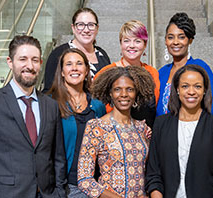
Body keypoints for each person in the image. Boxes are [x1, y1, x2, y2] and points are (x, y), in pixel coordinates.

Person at [0, 35, 66, 197]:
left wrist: (59, 192)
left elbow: (58, 156)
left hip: (46, 194)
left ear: (41, 64)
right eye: (23, 59)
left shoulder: (51, 106)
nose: (29, 66)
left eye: (35, 60)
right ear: (10, 62)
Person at [146, 64, 213, 198]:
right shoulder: (161, 124)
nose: (191, 92)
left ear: (204, 90)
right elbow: (153, 173)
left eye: (197, 86)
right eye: (185, 86)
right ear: (177, 89)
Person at [77, 66, 154, 197]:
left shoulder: (143, 128)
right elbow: (84, 180)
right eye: (117, 89)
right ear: (110, 93)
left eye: (130, 89)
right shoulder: (96, 127)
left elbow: (150, 172)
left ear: (136, 93)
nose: (124, 94)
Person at [47, 48, 106, 197]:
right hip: (64, 186)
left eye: (79, 63)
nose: (74, 68)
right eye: (69, 64)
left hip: (94, 185)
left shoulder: (98, 106)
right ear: (61, 71)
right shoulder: (50, 103)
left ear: (86, 70)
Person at [94, 19, 160, 128]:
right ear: (120, 43)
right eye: (126, 40)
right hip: (112, 133)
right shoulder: (106, 73)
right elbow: (98, 109)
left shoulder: (152, 73)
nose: (132, 45)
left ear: (145, 44)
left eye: (137, 41)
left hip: (145, 136)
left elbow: (154, 109)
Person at [157, 12, 213, 117]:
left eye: (181, 37)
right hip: (163, 131)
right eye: (170, 37)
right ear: (165, 41)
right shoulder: (161, 73)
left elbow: (209, 103)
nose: (175, 42)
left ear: (190, 40)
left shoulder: (200, 67)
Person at [43, 7, 110, 92]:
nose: (86, 30)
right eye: (81, 25)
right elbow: (49, 90)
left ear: (97, 29)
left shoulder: (102, 54)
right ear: (73, 28)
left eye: (91, 25)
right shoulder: (59, 53)